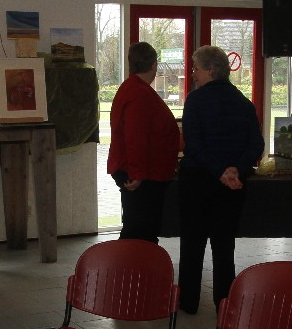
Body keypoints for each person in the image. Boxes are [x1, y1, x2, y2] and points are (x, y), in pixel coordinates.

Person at [177, 45, 263, 314]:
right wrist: (234, 170)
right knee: (224, 246)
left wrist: (219, 171)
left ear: (211, 70)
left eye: (196, 68)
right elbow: (256, 145)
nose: (193, 74)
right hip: (232, 187)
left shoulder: (195, 100)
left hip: (198, 183)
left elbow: (193, 145)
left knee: (192, 245)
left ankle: (189, 302)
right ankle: (224, 303)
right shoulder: (243, 103)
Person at [107, 41, 180, 242]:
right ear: (154, 65)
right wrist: (137, 173)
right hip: (141, 175)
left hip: (142, 172)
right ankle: (134, 262)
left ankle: (136, 261)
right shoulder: (139, 93)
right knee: (140, 232)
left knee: (139, 229)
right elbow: (135, 136)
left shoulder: (133, 88)